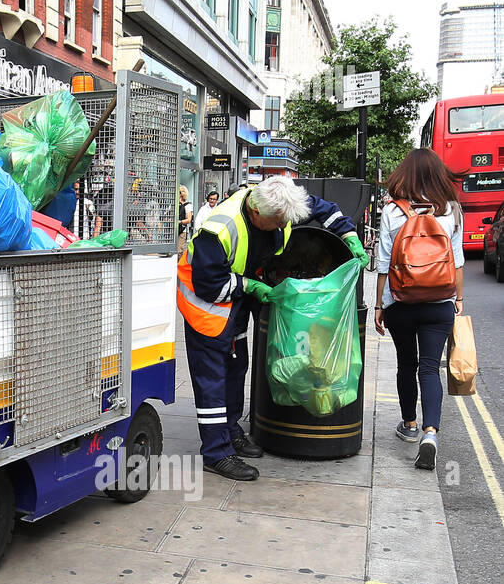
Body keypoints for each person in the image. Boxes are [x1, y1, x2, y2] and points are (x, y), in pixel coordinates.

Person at [177, 176, 364, 481]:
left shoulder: (279, 204)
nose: (281, 227)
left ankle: (231, 431)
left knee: (237, 368)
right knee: (213, 380)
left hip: (234, 304)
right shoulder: (220, 228)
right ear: (256, 214)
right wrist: (252, 287)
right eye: (275, 223)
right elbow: (207, 284)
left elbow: (321, 208)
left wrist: (348, 233)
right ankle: (216, 453)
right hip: (207, 308)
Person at [373, 149, 465, 470]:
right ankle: (430, 434)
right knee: (429, 368)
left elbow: (384, 263)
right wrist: (459, 300)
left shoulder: (393, 212)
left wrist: (379, 305)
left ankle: (409, 424)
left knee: (405, 364)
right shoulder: (452, 210)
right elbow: (458, 262)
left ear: (404, 176)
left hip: (400, 300)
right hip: (440, 302)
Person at [176, 185, 193, 251]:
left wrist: (180, 222)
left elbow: (189, 219)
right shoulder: (175, 204)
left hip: (182, 231)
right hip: (173, 231)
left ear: (181, 194)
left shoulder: (188, 205)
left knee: (179, 250)